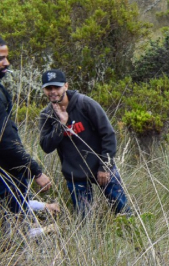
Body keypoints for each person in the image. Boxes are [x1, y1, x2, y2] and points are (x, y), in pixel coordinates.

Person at [39, 69, 130, 215]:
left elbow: (108, 134)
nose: (53, 91)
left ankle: (132, 235)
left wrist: (105, 167)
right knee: (85, 219)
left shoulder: (85, 104)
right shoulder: (47, 115)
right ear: (44, 90)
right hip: (75, 175)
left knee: (123, 212)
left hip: (101, 169)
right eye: (49, 88)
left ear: (66, 86)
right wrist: (61, 124)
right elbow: (46, 146)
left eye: (57, 87)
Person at [0, 37, 54, 218]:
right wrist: (35, 171)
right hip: (5, 176)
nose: (6, 63)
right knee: (13, 227)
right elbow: (6, 143)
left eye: (6, 57)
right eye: (1, 58)